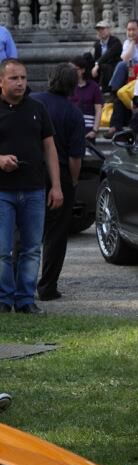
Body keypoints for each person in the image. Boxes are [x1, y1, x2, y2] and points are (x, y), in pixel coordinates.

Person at [0, 59, 62, 314]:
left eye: (23, 78)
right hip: (3, 190)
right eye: (14, 78)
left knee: (32, 247)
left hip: (34, 189)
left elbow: (49, 148)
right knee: (2, 250)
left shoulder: (38, 108)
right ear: (1, 81)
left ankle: (26, 299)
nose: (20, 83)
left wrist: (56, 185)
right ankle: (4, 299)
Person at [30, 64, 85, 304]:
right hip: (60, 173)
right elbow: (75, 157)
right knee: (56, 233)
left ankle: (19, 283)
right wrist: (72, 181)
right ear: (73, 85)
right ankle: (48, 286)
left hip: (29, 170)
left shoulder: (33, 102)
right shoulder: (73, 113)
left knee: (24, 232)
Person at [69, 54, 103, 142]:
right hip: (70, 129)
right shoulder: (68, 86)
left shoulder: (93, 86)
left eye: (75, 69)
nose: (72, 72)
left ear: (83, 70)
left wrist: (94, 130)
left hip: (88, 130)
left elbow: (98, 110)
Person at [91, 20, 122, 92]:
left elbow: (108, 54)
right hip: (100, 65)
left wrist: (97, 64)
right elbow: (95, 57)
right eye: (98, 30)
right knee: (86, 59)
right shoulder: (97, 44)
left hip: (113, 65)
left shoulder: (115, 41)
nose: (100, 31)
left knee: (105, 66)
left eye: (103, 29)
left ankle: (105, 90)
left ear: (109, 30)